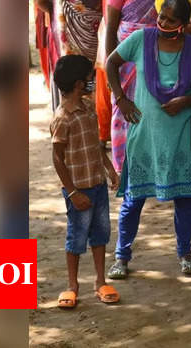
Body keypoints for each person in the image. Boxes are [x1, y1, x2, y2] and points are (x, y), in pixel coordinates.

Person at [105, 0, 191, 279]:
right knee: (133, 198)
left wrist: (184, 101)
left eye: (170, 19)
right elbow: (111, 63)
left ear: (182, 24)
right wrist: (121, 99)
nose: (162, 22)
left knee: (185, 198)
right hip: (145, 133)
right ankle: (121, 257)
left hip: (179, 135)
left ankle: (185, 254)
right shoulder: (142, 39)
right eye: (161, 16)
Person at [51, 55, 121, 309]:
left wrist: (110, 171)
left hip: (98, 185)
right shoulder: (63, 118)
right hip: (78, 190)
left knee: (100, 234)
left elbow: (95, 145)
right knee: (76, 237)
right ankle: (72, 286)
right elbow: (57, 159)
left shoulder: (89, 108)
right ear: (80, 84)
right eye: (90, 78)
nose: (94, 82)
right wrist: (72, 193)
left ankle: (100, 281)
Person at [104, 0, 169, 172]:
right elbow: (111, 29)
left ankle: (153, 166)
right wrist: (109, 63)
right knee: (123, 109)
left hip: (156, 60)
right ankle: (125, 166)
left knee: (153, 109)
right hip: (125, 61)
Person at [35, 0, 103, 91]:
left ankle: (73, 103)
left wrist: (55, 12)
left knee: (71, 77)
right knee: (92, 76)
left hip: (67, 46)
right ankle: (91, 102)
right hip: (92, 43)